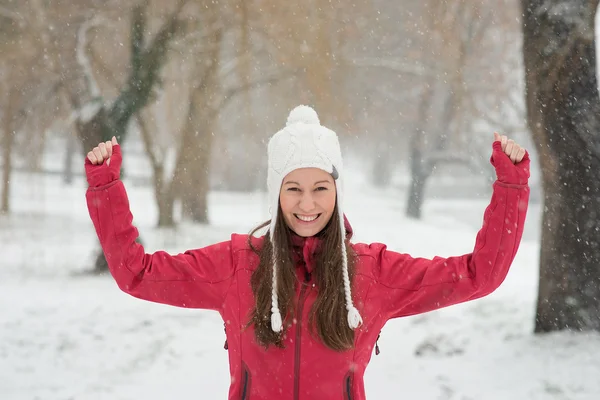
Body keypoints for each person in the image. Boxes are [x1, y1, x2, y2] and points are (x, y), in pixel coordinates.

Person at [84, 105, 530, 400]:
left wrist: (511, 186)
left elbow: (478, 275)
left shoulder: (371, 273)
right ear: (275, 193)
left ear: (337, 192)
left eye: (321, 188)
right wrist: (105, 185)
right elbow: (135, 274)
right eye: (293, 189)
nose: (307, 204)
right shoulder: (238, 265)